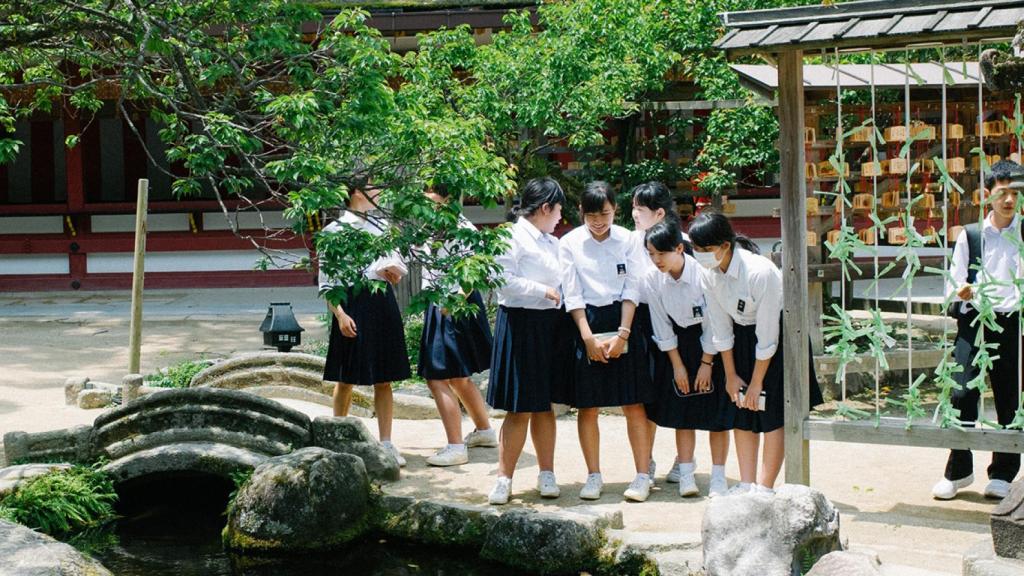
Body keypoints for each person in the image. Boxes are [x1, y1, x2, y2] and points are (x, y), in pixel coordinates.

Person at [690, 211, 823, 494]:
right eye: (696, 249)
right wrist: (730, 375)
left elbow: (767, 335)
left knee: (770, 409)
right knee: (740, 406)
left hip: (779, 336)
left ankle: (764, 486)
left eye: (705, 249)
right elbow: (720, 327)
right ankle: (746, 481)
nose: (700, 255)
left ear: (725, 246)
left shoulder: (759, 272)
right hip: (739, 338)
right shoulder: (707, 274)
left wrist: (757, 382)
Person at [933, 159, 1024, 501]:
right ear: (988, 194)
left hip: (1011, 320)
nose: (1010, 201)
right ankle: (959, 470)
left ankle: (1003, 472)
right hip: (974, 320)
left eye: (1016, 193)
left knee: (1009, 396)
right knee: (960, 391)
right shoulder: (970, 235)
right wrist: (962, 290)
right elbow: (954, 280)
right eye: (1003, 193)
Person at [559, 181, 655, 502]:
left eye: (605, 213)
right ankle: (593, 475)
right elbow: (571, 293)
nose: (599, 221)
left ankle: (642, 475)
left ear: (615, 209)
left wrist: (623, 333)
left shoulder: (629, 239)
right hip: (586, 321)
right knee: (588, 406)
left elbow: (633, 286)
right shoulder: (570, 242)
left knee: (633, 403)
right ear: (581, 213)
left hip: (624, 320)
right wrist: (587, 337)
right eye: (591, 215)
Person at [487, 177, 569, 505]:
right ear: (545, 207)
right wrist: (543, 291)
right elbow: (502, 281)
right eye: (558, 209)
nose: (561, 216)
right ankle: (503, 478)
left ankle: (546, 472)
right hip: (520, 324)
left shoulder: (552, 242)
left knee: (545, 404)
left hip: (550, 324)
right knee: (520, 407)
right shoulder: (511, 235)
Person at [319, 182, 411, 467]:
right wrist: (340, 314)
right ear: (357, 192)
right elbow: (326, 282)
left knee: (383, 378)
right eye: (373, 189)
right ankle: (336, 436)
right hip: (351, 301)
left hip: (381, 300)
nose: (380, 193)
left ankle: (386, 442)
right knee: (346, 377)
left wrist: (393, 271)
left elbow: (398, 263)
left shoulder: (383, 228)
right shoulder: (333, 231)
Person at [642, 219, 733, 497]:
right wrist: (678, 366)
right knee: (683, 413)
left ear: (680, 248)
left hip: (711, 344)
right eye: (651, 254)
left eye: (662, 253)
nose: (656, 260)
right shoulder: (651, 279)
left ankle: (719, 476)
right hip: (676, 347)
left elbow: (715, 322)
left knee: (717, 414)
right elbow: (661, 326)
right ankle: (686, 474)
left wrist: (707, 363)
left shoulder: (704, 274)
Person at [418, 184, 497, 467]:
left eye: (430, 195)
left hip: (451, 301)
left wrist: (452, 303)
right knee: (458, 377)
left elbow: (473, 271)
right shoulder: (433, 225)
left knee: (438, 376)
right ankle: (485, 431)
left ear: (447, 197)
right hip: (445, 301)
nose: (425, 200)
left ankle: (455, 446)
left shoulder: (460, 227)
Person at [629, 181, 695, 485]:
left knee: (683, 392)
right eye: (632, 208)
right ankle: (647, 460)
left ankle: (685, 461)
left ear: (658, 213)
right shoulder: (631, 241)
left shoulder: (683, 242)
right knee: (646, 395)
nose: (634, 214)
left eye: (639, 209)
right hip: (642, 319)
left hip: (679, 322)